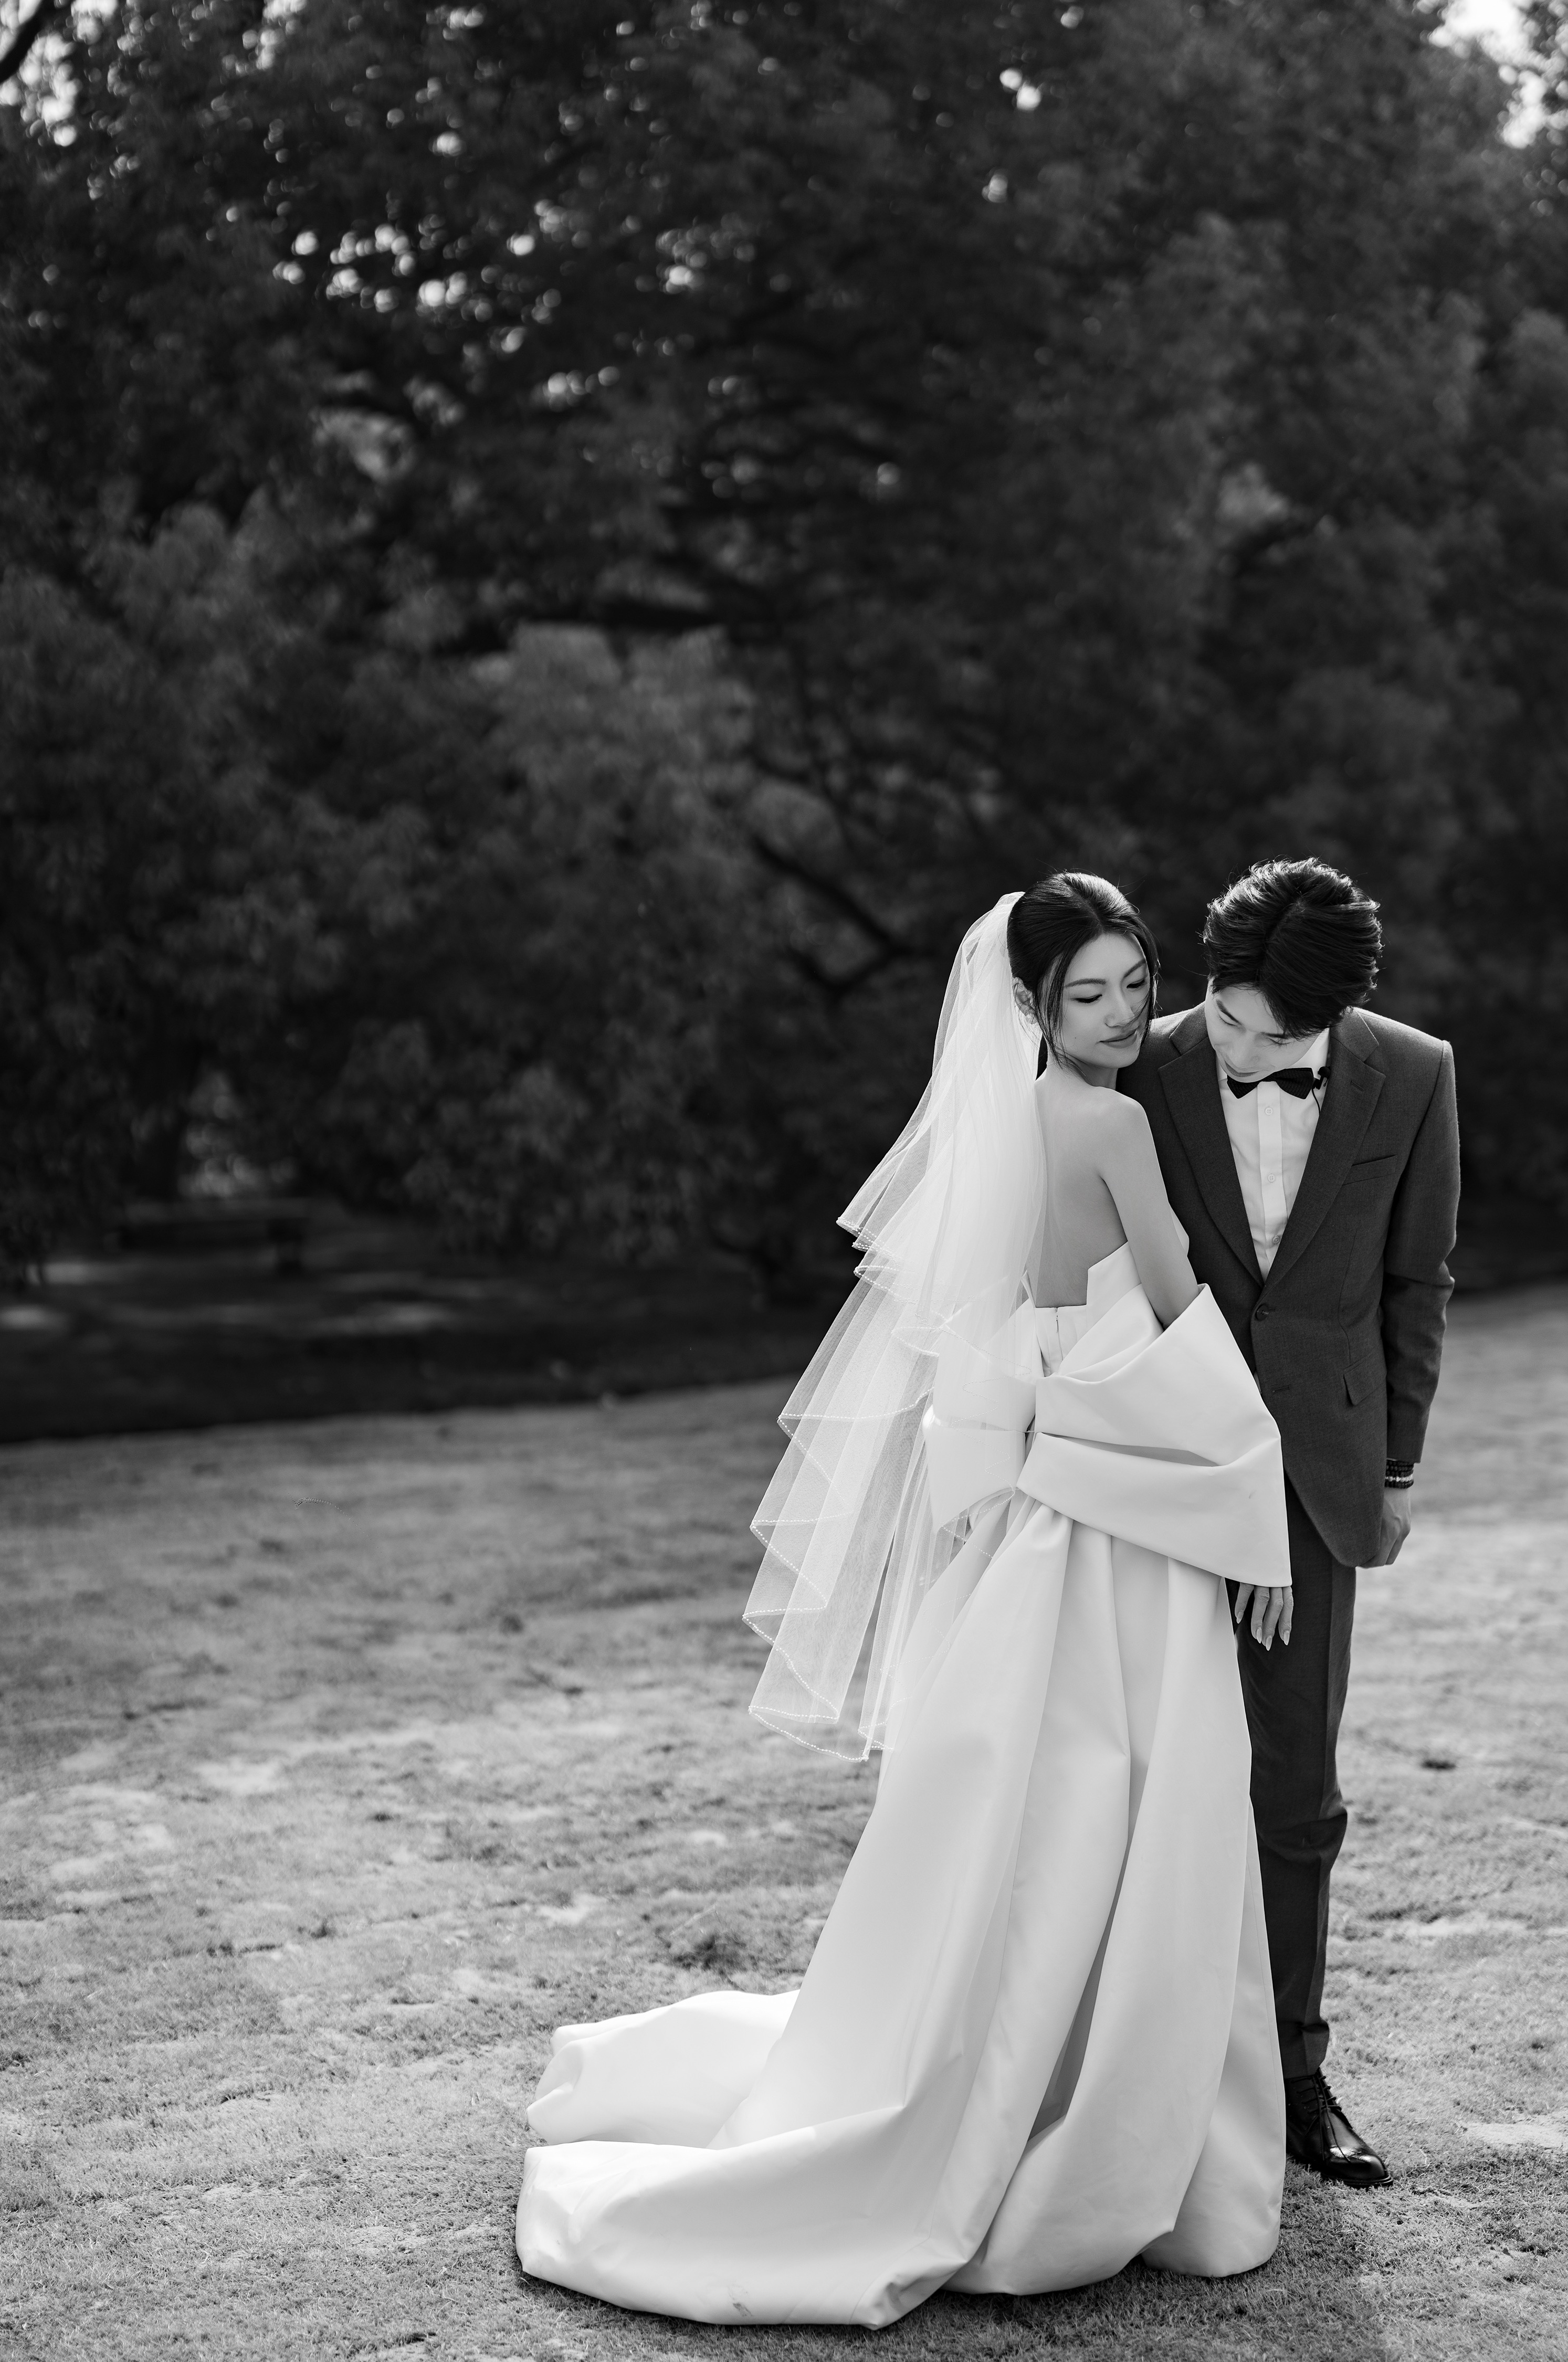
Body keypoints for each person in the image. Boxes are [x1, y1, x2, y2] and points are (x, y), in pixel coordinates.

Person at [515, 878, 1293, 2325]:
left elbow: (1003, 1339)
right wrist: (1250, 1492)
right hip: (1126, 1509)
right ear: (1034, 1007)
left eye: (1137, 984)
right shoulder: (1115, 1127)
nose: (1124, 1015)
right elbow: (1178, 1307)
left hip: (1034, 1514)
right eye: (1090, 994)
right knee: (1139, 1799)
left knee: (1036, 1814)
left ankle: (1013, 2069)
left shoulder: (1001, 1139)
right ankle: (1099, 2119)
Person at [1118, 858, 1460, 2189]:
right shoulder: (1140, 1065)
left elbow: (1417, 1280)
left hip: (1319, 1478)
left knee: (1296, 1785)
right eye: (1226, 1016)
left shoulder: (1413, 1074)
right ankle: (1129, 2067)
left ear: (1332, 1021)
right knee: (1135, 1768)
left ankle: (1295, 2072)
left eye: (1274, 1038)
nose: (1238, 1050)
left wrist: (1396, 1466)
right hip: (1156, 1463)